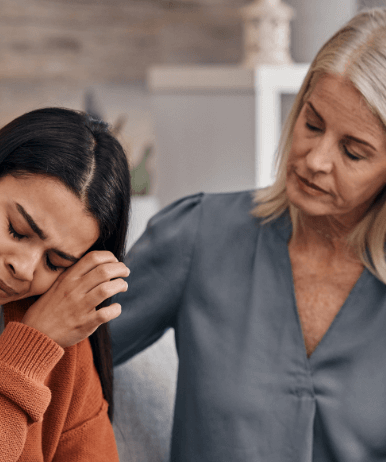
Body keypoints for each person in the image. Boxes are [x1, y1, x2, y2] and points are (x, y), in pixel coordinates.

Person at [108, 7, 386, 461]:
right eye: (311, 124)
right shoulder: (199, 235)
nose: (315, 159)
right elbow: (66, 358)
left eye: (353, 152)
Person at [0, 107, 131, 461]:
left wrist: (43, 340)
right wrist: (27, 355)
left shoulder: (58, 324)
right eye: (17, 230)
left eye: (55, 262)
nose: (24, 268)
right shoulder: (45, 334)